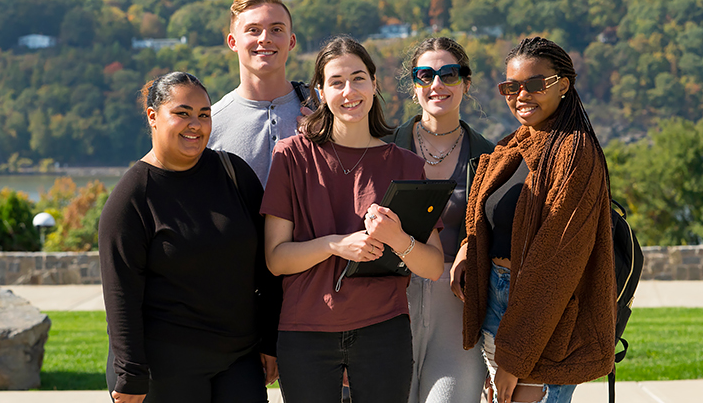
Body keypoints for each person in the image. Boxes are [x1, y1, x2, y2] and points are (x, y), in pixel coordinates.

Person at [261, 36, 445, 403]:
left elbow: (434, 266)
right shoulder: (291, 157)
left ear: (375, 84)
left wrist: (397, 239)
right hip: (305, 333)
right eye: (337, 81)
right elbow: (276, 259)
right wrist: (336, 245)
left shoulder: (407, 165)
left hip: (383, 331)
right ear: (320, 91)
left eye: (359, 78)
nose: (350, 91)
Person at [99, 71, 281, 403]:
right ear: (153, 117)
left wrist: (269, 341)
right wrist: (130, 373)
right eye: (182, 113)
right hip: (165, 365)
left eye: (204, 114)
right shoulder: (132, 198)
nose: (195, 124)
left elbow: (267, 268)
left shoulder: (234, 174)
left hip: (239, 358)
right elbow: (120, 294)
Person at [457, 37, 616, 403]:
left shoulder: (574, 152)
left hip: (542, 319)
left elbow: (556, 264)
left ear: (563, 85)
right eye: (511, 87)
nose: (521, 95)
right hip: (500, 304)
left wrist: (514, 356)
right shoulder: (514, 145)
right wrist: (469, 248)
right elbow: (490, 218)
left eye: (535, 84)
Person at [383, 37, 494, 403]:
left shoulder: (491, 157)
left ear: (466, 81)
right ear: (413, 84)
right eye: (425, 75)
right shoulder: (384, 148)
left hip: (458, 304)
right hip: (392, 301)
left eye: (449, 74)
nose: (437, 85)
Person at [207, 0, 311, 187]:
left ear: (291, 42)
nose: (265, 38)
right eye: (253, 30)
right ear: (232, 42)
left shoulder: (324, 108)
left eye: (276, 29)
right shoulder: (211, 124)